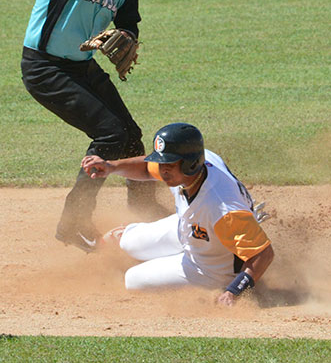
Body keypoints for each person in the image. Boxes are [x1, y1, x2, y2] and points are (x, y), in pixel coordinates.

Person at [21, 0, 173, 253]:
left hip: (81, 67)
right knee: (109, 133)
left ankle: (145, 207)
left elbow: (128, 21)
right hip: (44, 67)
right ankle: (73, 224)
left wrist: (129, 36)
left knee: (131, 136)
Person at [82, 123, 275, 305]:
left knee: (132, 279)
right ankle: (160, 257)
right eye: (161, 162)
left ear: (190, 164)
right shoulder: (194, 164)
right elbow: (146, 168)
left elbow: (262, 254)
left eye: (169, 165)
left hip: (211, 268)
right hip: (189, 228)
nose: (162, 170)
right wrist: (112, 166)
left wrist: (233, 291)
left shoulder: (221, 208)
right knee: (126, 242)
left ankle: (167, 264)